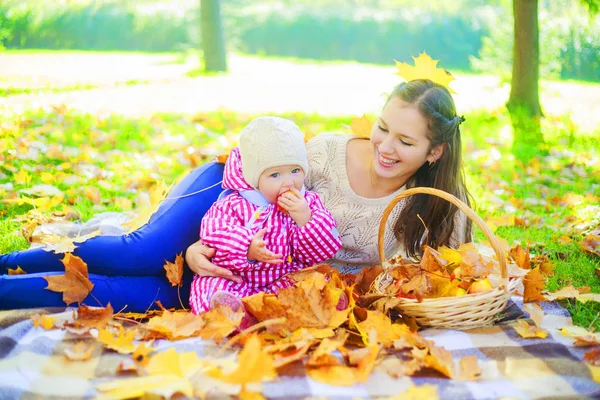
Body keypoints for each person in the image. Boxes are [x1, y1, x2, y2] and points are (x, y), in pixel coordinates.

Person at [0, 78, 471, 313]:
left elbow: (466, 278)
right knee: (142, 251)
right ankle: (10, 259)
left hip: (252, 280)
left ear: (435, 152)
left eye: (405, 143)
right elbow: (251, 173)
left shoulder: (438, 211)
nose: (384, 148)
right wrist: (196, 246)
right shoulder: (327, 152)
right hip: (224, 200)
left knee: (125, 295)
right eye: (382, 128)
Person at [190, 116, 341, 315]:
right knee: (213, 285)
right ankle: (234, 314)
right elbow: (214, 236)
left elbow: (325, 250)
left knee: (315, 282)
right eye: (275, 175)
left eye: (295, 170)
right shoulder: (234, 204)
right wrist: (247, 249)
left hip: (285, 280)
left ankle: (318, 308)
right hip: (240, 279)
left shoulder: (309, 203)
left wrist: (305, 218)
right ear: (255, 179)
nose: (288, 183)